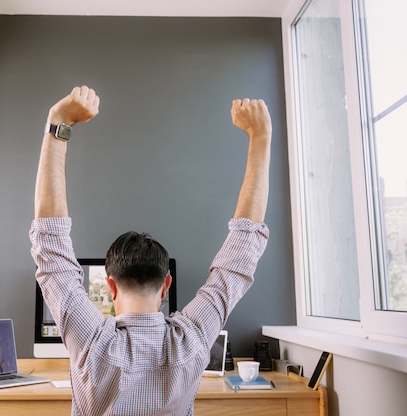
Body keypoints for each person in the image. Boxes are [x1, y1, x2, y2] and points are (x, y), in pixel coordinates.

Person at [30, 85, 271, 415]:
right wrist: (260, 138)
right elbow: (242, 251)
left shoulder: (93, 343)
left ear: (110, 285)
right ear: (166, 285)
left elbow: (51, 243)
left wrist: (57, 123)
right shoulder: (192, 339)